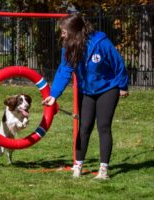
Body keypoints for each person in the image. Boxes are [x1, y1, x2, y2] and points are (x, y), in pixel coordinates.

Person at [42, 13, 129, 179]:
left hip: (107, 88)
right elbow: (64, 71)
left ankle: (103, 170)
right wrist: (54, 95)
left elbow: (118, 63)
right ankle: (78, 166)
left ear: (75, 31)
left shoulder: (101, 43)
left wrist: (122, 86)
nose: (62, 34)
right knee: (84, 127)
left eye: (64, 31)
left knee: (103, 126)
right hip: (86, 91)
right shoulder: (68, 47)